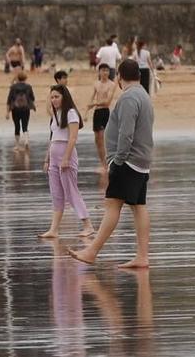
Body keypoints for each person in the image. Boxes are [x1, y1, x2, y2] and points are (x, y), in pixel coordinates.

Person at [66, 59, 154, 270]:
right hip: (141, 161)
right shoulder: (144, 96)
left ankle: (92, 251)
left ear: (119, 78)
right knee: (138, 206)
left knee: (113, 204)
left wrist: (118, 160)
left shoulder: (129, 98)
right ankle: (142, 256)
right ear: (139, 77)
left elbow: (126, 132)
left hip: (128, 161)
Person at [38, 84, 92, 240]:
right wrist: (47, 159)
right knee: (56, 193)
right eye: (52, 97)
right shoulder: (55, 115)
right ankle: (53, 229)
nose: (54, 100)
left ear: (64, 97)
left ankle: (88, 225)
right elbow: (52, 137)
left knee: (70, 191)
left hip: (66, 156)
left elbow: (73, 137)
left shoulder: (71, 113)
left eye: (57, 97)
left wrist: (66, 158)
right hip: (54, 156)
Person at [89, 65, 120, 164]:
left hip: (105, 111)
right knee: (97, 139)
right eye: (103, 71)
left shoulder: (111, 85)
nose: (105, 73)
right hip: (97, 112)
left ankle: (106, 162)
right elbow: (91, 98)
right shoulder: (96, 84)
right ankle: (102, 160)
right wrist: (86, 113)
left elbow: (107, 102)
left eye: (107, 71)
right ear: (99, 72)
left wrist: (94, 103)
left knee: (102, 137)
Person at [7, 71, 36, 145]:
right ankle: (26, 141)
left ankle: (17, 144)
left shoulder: (13, 87)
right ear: (25, 78)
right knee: (25, 125)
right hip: (25, 108)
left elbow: (9, 99)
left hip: (15, 109)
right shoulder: (28, 86)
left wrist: (7, 112)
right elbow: (32, 98)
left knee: (17, 126)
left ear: (18, 78)